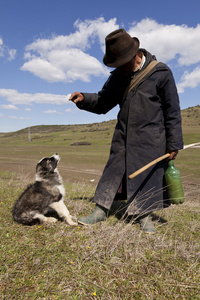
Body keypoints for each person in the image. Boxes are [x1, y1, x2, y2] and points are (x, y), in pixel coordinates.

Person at [69, 29, 183, 233]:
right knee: (113, 170)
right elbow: (103, 102)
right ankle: (101, 210)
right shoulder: (118, 77)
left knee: (147, 176)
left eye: (119, 64)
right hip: (123, 136)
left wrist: (174, 143)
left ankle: (144, 215)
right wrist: (84, 99)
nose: (117, 69)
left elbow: (172, 110)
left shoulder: (161, 73)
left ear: (133, 56)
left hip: (151, 139)